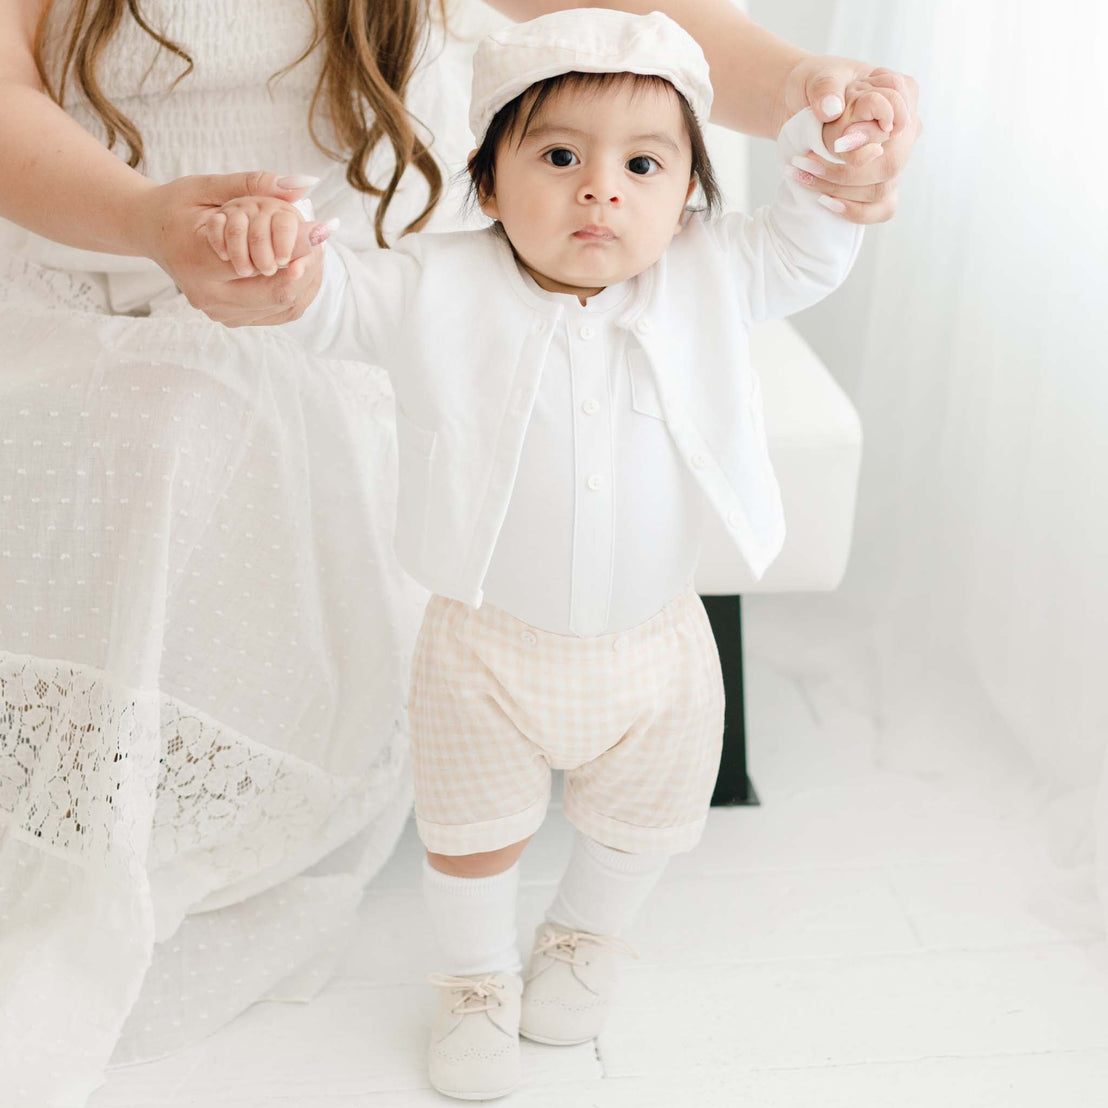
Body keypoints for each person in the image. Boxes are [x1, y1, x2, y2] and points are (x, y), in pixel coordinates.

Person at [0, 0, 918, 1104]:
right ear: (491, 182)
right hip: (118, 272)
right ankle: (470, 975)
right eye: (566, 159)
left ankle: (584, 938)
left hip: (637, 623)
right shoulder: (440, 287)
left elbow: (759, 184)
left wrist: (827, 113)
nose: (599, 190)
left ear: (687, 196)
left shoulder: (699, 277)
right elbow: (333, 300)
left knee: (641, 814)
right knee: (471, 815)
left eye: (638, 169)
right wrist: (208, 243)